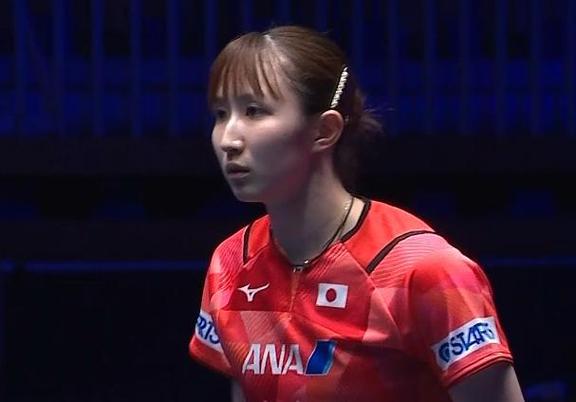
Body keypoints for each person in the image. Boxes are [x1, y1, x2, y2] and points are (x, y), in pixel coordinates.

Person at [189, 25, 525, 402]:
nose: (228, 139)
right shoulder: (230, 264)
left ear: (324, 130)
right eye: (221, 114)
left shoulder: (424, 270)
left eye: (254, 111)